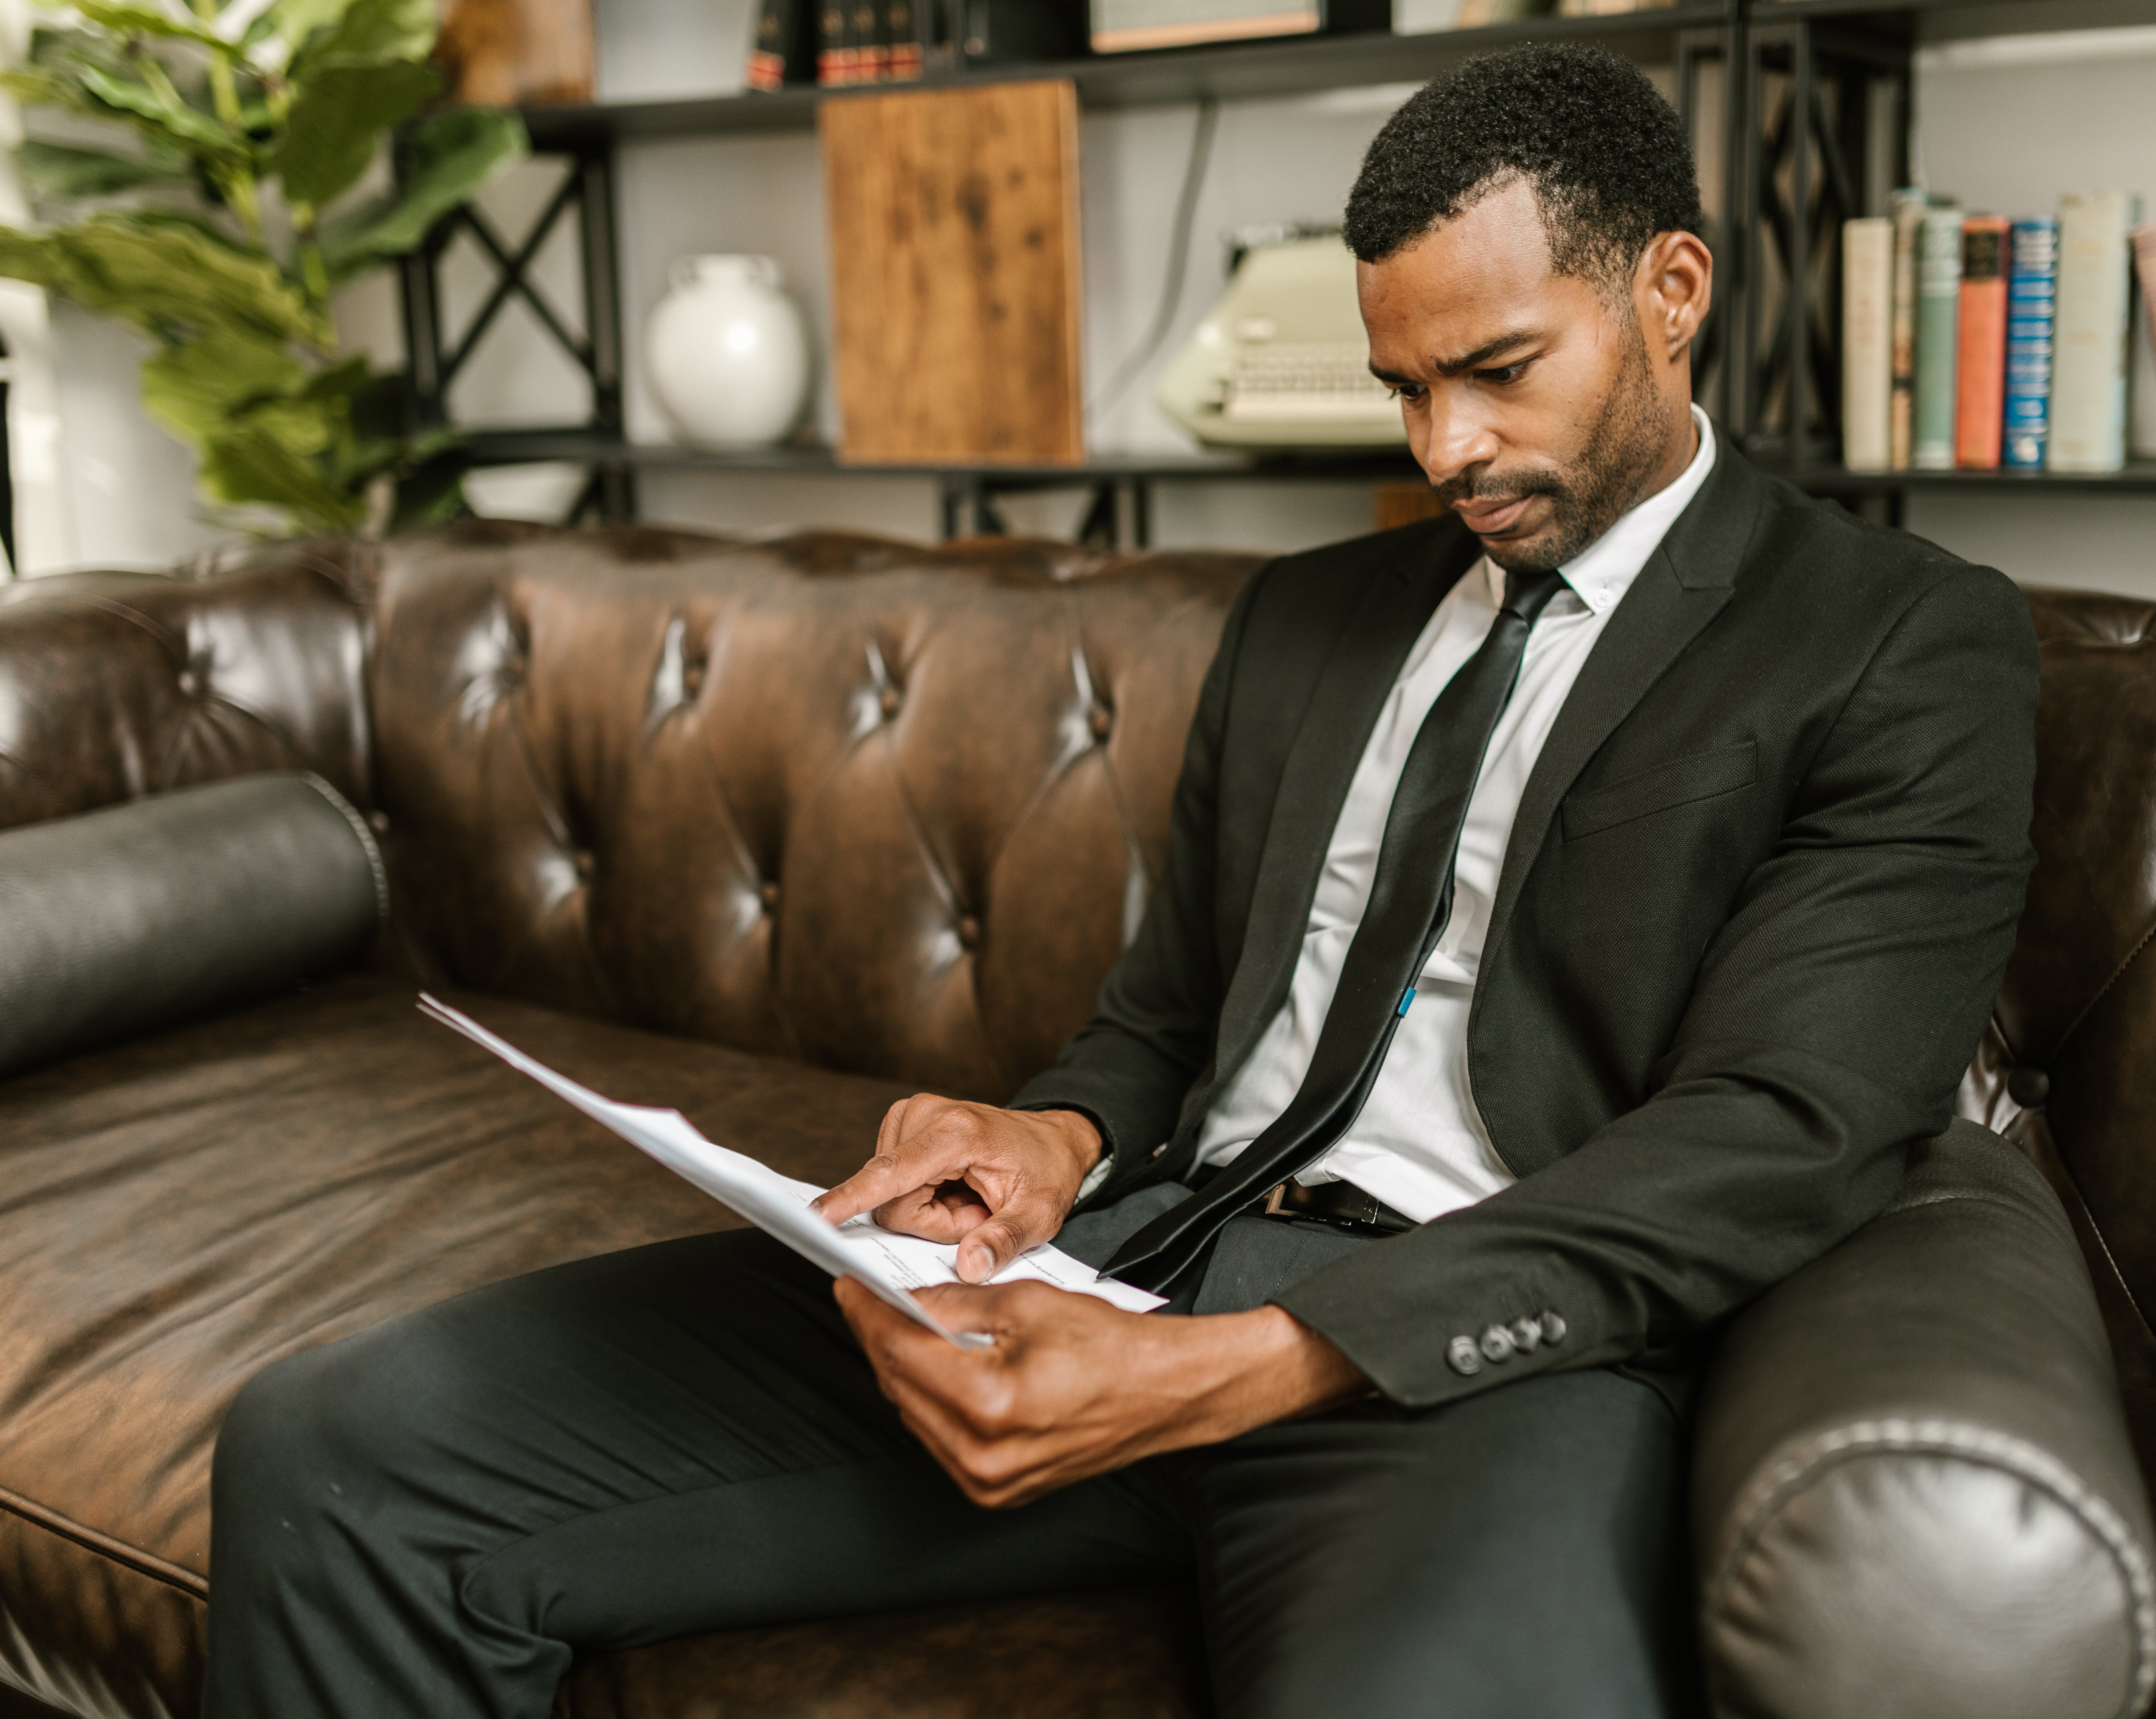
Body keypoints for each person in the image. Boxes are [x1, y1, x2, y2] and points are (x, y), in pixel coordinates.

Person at [204, 43, 2036, 1719]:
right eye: (1404, 389)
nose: (1443, 452)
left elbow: (1783, 1125)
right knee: (342, 1447)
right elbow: (1169, 1018)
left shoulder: (1892, 642)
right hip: (1121, 1270)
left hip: (1481, 1362)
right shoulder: (1309, 621)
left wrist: (1259, 1362)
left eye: (1497, 375)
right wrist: (1056, 1145)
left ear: (1674, 295)